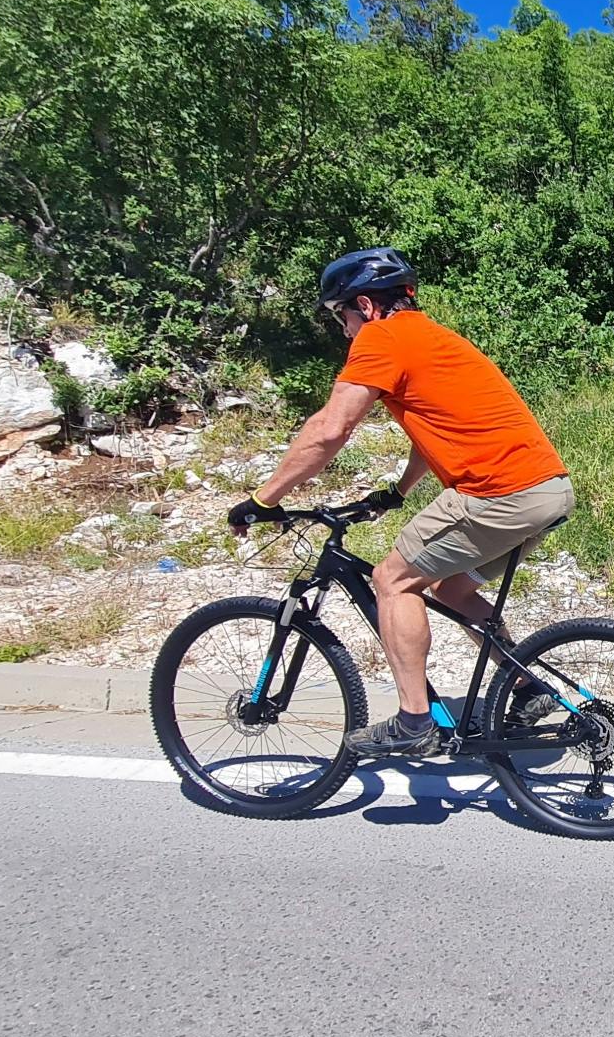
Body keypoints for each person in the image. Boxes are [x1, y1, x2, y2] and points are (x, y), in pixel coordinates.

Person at [227, 247, 574, 755]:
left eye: (340, 315)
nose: (343, 330)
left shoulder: (382, 339)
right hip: (546, 490)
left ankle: (414, 723)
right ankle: (529, 689)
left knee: (392, 579)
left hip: (498, 493)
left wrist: (264, 498)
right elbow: (433, 434)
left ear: (365, 306)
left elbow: (329, 429)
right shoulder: (432, 338)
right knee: (451, 593)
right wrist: (396, 493)